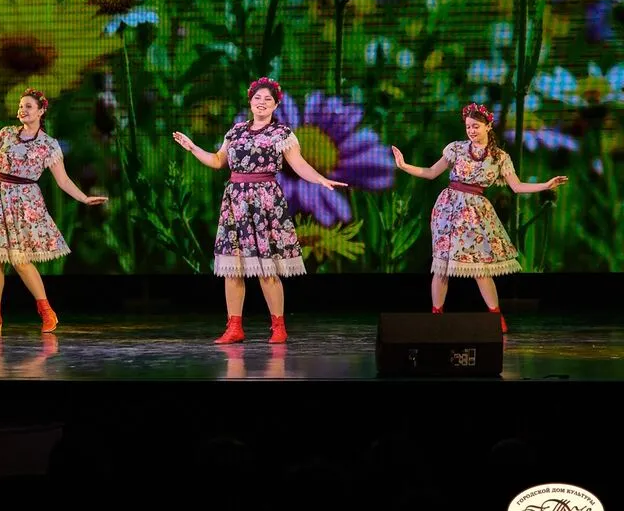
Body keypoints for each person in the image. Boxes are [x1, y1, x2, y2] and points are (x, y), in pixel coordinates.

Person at [172, 77, 347, 344]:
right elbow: (218, 160)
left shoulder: (282, 134)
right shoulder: (235, 132)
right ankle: (234, 327)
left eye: (267, 99)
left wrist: (320, 178)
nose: (261, 103)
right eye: (257, 98)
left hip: (264, 203)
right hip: (235, 202)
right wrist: (193, 148)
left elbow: (299, 165)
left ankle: (278, 327)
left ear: (276, 105)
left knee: (267, 268)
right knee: (232, 268)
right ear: (250, 102)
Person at [0, 88, 108, 333]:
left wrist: (84, 198)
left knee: (20, 259)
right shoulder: (5, 134)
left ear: (41, 111)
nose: (22, 110)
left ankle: (47, 312)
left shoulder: (48, 145)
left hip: (24, 202)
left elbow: (63, 180)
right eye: (20, 106)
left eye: (28, 106)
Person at [391, 102, 568, 332]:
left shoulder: (499, 157)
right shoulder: (456, 149)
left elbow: (516, 187)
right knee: (442, 266)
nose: (471, 131)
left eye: (475, 126)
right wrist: (404, 166)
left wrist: (545, 185)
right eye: (468, 127)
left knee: (480, 268)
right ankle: (436, 315)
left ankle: (496, 316)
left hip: (476, 213)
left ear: (488, 126)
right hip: (449, 209)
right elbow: (431, 172)